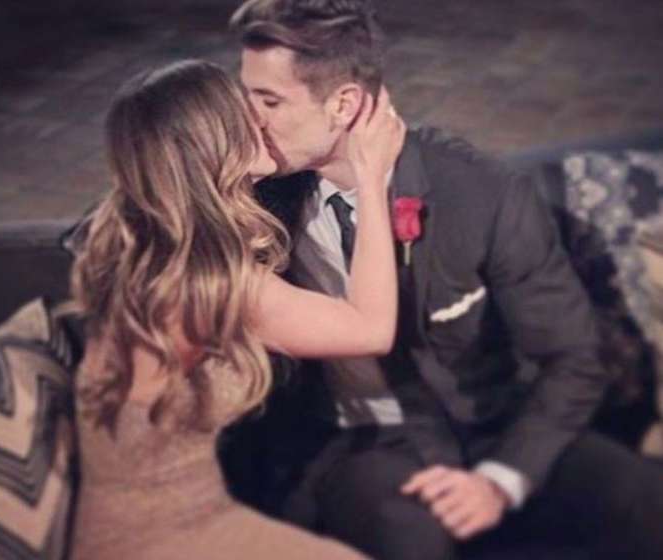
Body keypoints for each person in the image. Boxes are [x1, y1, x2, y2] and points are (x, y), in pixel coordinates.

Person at [226, 1, 663, 559]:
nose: (249, 120)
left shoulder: (481, 193)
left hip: (490, 422)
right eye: (246, 96)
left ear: (344, 104)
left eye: (268, 101)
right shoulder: (257, 192)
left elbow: (573, 356)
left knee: (642, 496)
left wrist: (501, 480)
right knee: (413, 541)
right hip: (358, 438)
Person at [67, 58, 405, 560]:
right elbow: (371, 329)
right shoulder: (211, 283)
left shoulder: (154, 236)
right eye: (242, 110)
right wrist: (371, 178)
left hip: (190, 507)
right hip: (153, 538)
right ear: (212, 143)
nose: (260, 118)